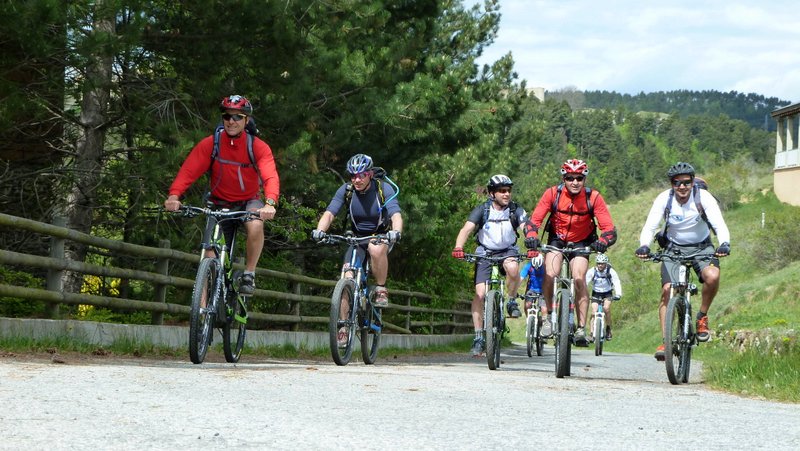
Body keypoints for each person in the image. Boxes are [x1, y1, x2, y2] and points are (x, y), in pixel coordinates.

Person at [164, 95, 279, 295]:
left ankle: (249, 274)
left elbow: (270, 176)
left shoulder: (258, 147)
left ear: (246, 120)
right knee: (209, 254)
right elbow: (189, 171)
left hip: (248, 201)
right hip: (219, 201)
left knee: (256, 225)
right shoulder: (212, 143)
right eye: (227, 117)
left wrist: (269, 203)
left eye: (237, 117)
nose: (231, 121)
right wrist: (174, 196)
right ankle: (202, 316)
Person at [635, 162, 730, 361]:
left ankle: (702, 316)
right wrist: (644, 245)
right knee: (667, 290)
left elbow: (719, 224)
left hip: (702, 248)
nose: (682, 187)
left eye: (686, 182)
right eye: (677, 183)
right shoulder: (664, 199)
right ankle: (666, 340)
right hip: (673, 249)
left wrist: (724, 243)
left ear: (693, 181)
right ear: (671, 184)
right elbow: (650, 225)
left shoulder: (703, 197)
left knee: (712, 276)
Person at [523, 159, 617, 347]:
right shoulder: (552, 194)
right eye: (570, 178)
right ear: (564, 178)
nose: (575, 182)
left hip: (582, 241)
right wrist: (532, 236)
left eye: (579, 178)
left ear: (584, 179)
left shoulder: (594, 197)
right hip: (557, 240)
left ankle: (581, 328)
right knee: (550, 274)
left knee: (579, 277)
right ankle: (549, 317)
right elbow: (534, 221)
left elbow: (609, 228)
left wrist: (603, 241)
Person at [311, 153, 403, 312]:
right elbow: (329, 213)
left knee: (375, 249)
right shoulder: (346, 190)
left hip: (379, 236)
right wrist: (320, 230)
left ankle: (381, 289)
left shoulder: (382, 188)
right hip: (357, 238)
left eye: (362, 175)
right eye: (353, 176)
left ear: (370, 174)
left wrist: (396, 231)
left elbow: (396, 214)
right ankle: (342, 330)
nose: (357, 180)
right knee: (347, 277)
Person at [452, 175, 527, 357]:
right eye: (502, 191)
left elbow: (527, 226)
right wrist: (458, 247)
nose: (506, 194)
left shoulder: (515, 210)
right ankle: (479, 336)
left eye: (508, 190)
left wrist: (531, 240)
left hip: (508, 250)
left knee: (513, 269)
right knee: (479, 294)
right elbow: (466, 229)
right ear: (492, 193)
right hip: (485, 252)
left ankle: (510, 301)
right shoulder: (482, 210)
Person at [585, 253, 622, 341]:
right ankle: (591, 333)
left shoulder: (611, 271)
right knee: (594, 312)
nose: (600, 265)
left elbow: (616, 282)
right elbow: (585, 282)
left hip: (607, 293)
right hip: (596, 293)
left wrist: (618, 294)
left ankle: (608, 329)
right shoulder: (592, 271)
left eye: (602, 263)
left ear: (606, 264)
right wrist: (584, 294)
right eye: (598, 263)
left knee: (606, 308)